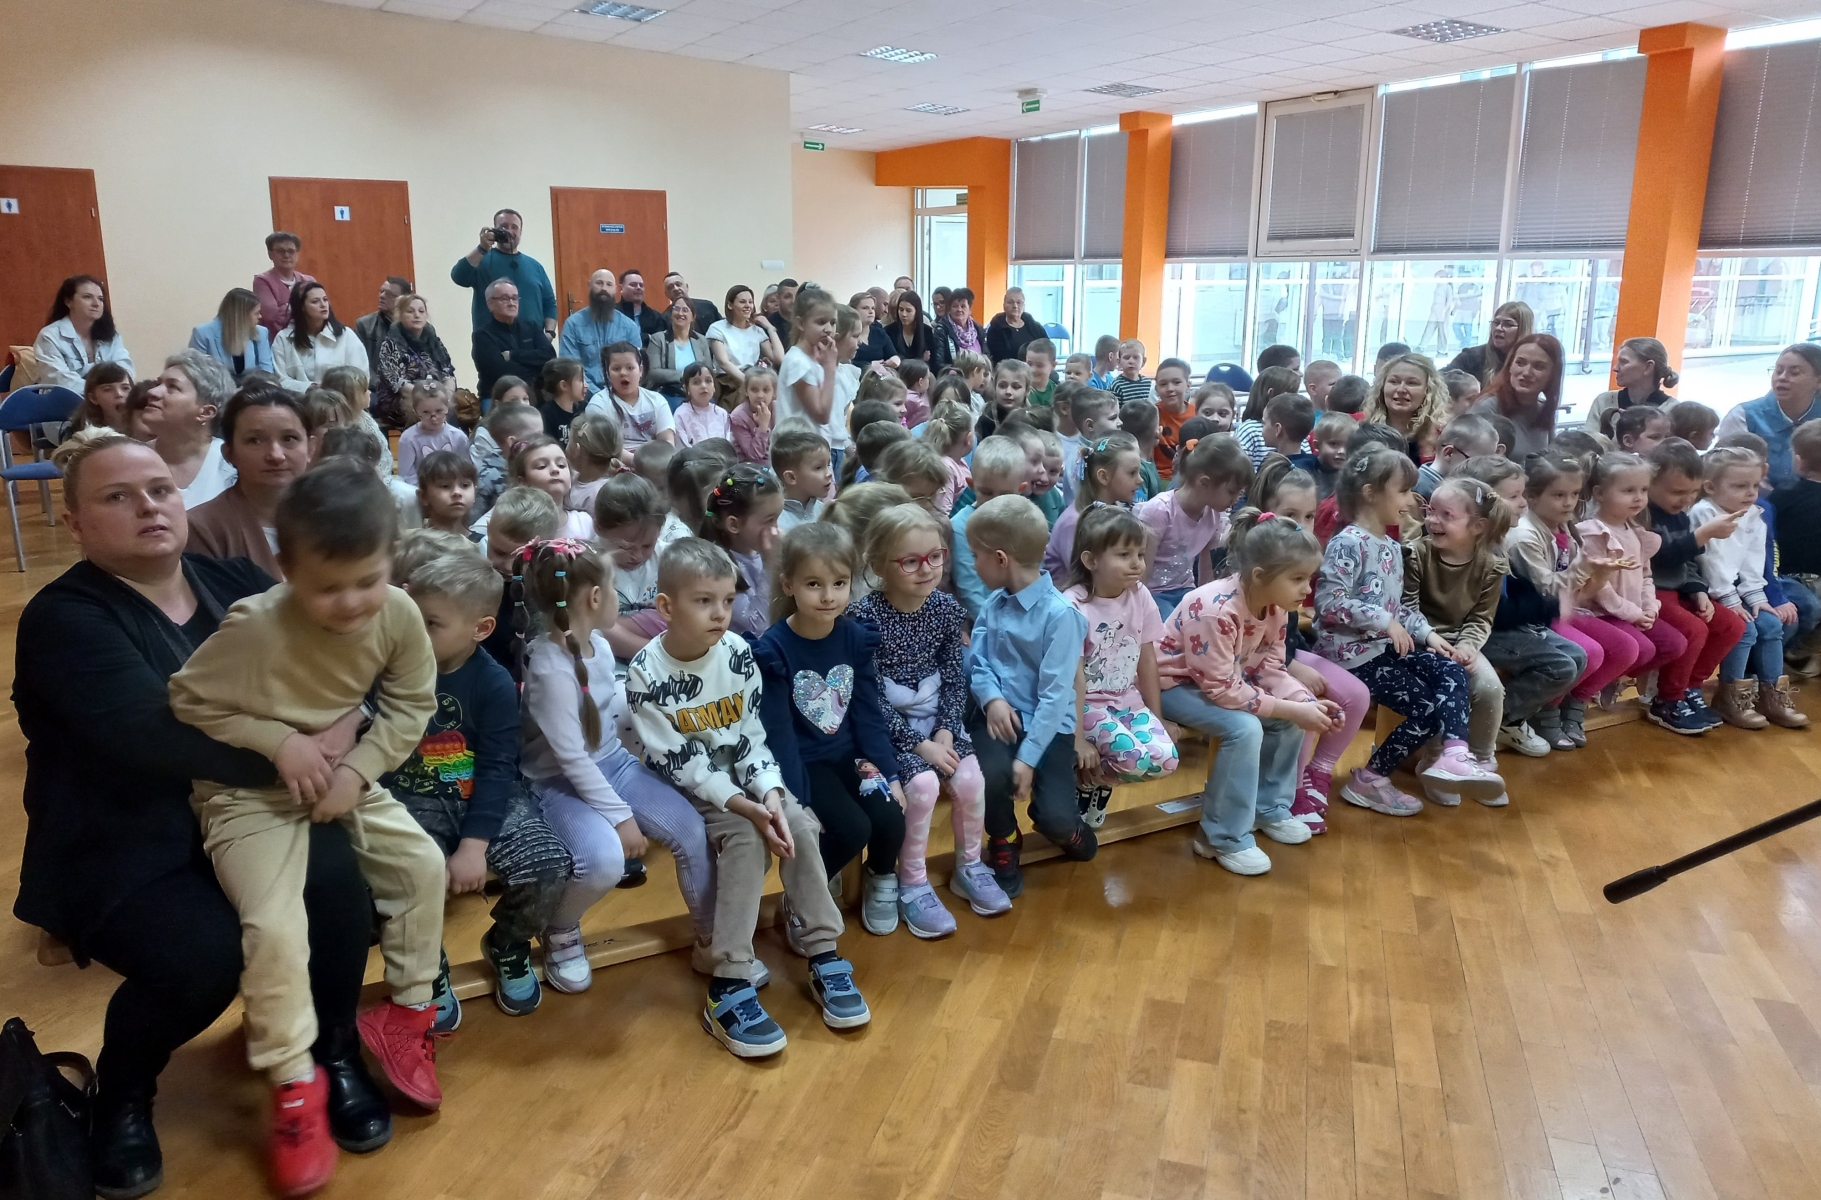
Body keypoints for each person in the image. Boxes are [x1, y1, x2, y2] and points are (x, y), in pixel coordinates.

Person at [13, 433, 387, 1198]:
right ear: (76, 523)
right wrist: (307, 748)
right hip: (122, 834)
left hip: (253, 811)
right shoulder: (64, 617)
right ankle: (122, 1093)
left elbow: (342, 662)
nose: (149, 506)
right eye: (118, 496)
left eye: (160, 489)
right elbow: (155, 735)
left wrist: (347, 720)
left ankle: (331, 1053)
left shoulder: (233, 580)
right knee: (203, 955)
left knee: (342, 885)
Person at [165, 461, 446, 1195]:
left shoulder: (399, 613)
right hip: (245, 796)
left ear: (391, 560)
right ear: (285, 568)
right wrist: (278, 742)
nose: (351, 603)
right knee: (275, 928)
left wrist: (356, 772)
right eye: (328, 587)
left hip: (341, 772)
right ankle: (295, 1085)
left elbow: (411, 704)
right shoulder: (254, 627)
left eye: (367, 580)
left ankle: (408, 1015)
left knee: (422, 866)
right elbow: (188, 701)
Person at [625, 538, 869, 1058]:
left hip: (745, 781)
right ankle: (728, 980)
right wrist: (744, 806)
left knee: (800, 823)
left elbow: (752, 738)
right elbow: (680, 760)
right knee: (746, 839)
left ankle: (823, 952)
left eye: (728, 600)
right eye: (704, 601)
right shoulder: (646, 670)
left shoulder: (737, 652)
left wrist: (772, 795)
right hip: (691, 789)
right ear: (666, 606)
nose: (720, 613)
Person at [512, 538, 716, 997]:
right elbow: (571, 760)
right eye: (613, 586)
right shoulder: (548, 667)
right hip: (557, 784)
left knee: (691, 830)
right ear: (595, 597)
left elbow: (604, 742)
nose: (619, 596)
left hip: (614, 765)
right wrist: (621, 818)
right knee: (603, 861)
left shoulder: (599, 646)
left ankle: (713, 938)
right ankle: (560, 928)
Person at [383, 549, 572, 1025]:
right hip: (410, 798)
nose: (415, 630)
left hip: (486, 795)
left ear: (481, 629)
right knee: (399, 874)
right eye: (412, 616)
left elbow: (496, 768)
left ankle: (507, 942)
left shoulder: (493, 683)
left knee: (549, 863)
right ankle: (426, 965)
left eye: (431, 623)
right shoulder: (385, 666)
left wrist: (473, 844)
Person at [1315, 444, 1502, 812]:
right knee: (1426, 709)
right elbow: (1329, 603)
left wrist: (1428, 634)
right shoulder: (1347, 542)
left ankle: (1456, 755)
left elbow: (1396, 607)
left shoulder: (1390, 545)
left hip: (1383, 649)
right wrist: (1385, 622)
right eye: (1403, 491)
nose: (1412, 501)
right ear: (1371, 493)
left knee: (1451, 668)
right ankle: (1370, 779)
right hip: (1349, 656)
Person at [850, 504, 1005, 937]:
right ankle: (913, 882)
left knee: (971, 781)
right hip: (888, 735)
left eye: (935, 556)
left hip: (938, 725)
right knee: (922, 787)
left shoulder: (945, 609)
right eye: (911, 561)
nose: (927, 569)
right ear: (879, 566)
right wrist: (920, 746)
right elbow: (868, 699)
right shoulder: (863, 619)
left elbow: (955, 677)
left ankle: (969, 867)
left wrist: (945, 729)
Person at [1159, 509, 1337, 874]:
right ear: (1259, 576)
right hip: (1172, 686)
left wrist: (1306, 703)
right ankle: (1220, 837)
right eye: (1298, 578)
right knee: (1244, 729)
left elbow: (1270, 668)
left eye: (1309, 578)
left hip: (1221, 682)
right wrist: (1291, 709)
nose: (1307, 589)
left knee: (1289, 719)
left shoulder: (1277, 608)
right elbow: (1223, 691)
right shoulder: (1216, 609)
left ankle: (1267, 809)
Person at [755, 524, 907, 936]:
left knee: (890, 817)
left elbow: (869, 713)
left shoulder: (854, 637)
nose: (828, 596)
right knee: (852, 828)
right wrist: (799, 799)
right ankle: (805, 894)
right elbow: (779, 734)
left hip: (852, 756)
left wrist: (890, 774)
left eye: (839, 583)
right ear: (788, 585)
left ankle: (881, 878)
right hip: (807, 764)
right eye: (814, 584)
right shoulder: (774, 649)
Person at [965, 494, 1096, 896]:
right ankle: (1004, 838)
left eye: (976, 556)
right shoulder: (992, 604)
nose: (972, 565)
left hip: (1048, 725)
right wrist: (992, 699)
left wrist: (1028, 758)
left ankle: (1065, 825)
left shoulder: (1062, 615)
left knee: (1056, 818)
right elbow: (977, 662)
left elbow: (1056, 698)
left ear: (1000, 559)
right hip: (999, 716)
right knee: (992, 773)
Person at [1403, 476, 1525, 806]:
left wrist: (1468, 646)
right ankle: (1434, 762)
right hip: (1421, 640)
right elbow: (1408, 608)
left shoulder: (1492, 565)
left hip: (1461, 643)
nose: (1433, 521)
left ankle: (1481, 762)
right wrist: (1431, 641)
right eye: (1431, 511)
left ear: (1478, 526)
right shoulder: (1416, 554)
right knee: (1446, 687)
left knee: (1490, 688)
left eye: (1446, 515)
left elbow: (1481, 618)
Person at [1064, 506, 1180, 829]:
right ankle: (1081, 782)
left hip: (1127, 702)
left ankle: (1095, 781)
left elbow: (1147, 659)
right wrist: (1077, 739)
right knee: (1133, 759)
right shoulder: (1073, 605)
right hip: (1087, 706)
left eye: (1140, 554)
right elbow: (1071, 678)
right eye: (1124, 554)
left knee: (1167, 760)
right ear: (1091, 561)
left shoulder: (1140, 595)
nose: (1137, 563)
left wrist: (1156, 715)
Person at [1572, 452, 1695, 735]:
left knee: (1674, 644)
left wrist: (1650, 607)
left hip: (1631, 611)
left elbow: (1646, 575)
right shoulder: (1592, 532)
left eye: (1643, 490)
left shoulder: (1637, 531)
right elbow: (1599, 588)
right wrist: (1633, 613)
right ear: (1600, 493)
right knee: (1641, 648)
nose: (1639, 498)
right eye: (1628, 491)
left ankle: (1610, 678)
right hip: (1599, 612)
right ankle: (1578, 697)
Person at [1692, 446, 1807, 728]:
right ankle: (1730, 696)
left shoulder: (1754, 513)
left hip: (1734, 590)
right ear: (1711, 487)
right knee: (1745, 628)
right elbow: (1711, 562)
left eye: (1755, 485)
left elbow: (1753, 560)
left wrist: (1756, 596)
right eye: (1740, 486)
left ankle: (1772, 696)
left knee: (1771, 623)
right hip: (1705, 591)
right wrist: (1731, 600)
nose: (1750, 493)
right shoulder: (1704, 513)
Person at [184, 383, 312, 578]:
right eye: (255, 440)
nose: (276, 455)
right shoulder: (202, 529)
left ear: (311, 448)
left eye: (289, 438)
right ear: (229, 453)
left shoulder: (334, 517)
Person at [1138, 433, 1250, 615]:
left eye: (1240, 493)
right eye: (1231, 492)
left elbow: (1207, 569)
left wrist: (1209, 603)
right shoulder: (1160, 511)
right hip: (1154, 594)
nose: (1236, 499)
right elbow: (1142, 570)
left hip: (1186, 591)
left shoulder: (1215, 515)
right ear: (1203, 482)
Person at [698, 464, 784, 641]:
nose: (777, 530)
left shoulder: (759, 551)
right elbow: (755, 631)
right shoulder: (717, 570)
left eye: (778, 518)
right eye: (769, 520)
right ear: (734, 524)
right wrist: (771, 566)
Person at [1717, 343, 1821, 489]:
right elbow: (1725, 470)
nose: (1782, 378)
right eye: (1778, 371)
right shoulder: (1743, 416)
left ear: (1818, 381)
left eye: (1794, 373)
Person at [141, 352, 238, 508]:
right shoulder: (129, 459)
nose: (152, 392)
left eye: (173, 387)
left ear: (206, 412)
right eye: (158, 384)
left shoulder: (232, 465)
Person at [451, 209, 557, 338]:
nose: (509, 231)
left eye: (514, 227)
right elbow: (458, 277)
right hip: (492, 341)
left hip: (532, 343)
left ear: (520, 231)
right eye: (504, 227)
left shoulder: (535, 266)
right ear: (494, 230)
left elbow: (549, 302)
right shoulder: (482, 260)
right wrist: (482, 248)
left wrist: (550, 333)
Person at [1470, 332, 1563, 464]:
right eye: (1520, 363)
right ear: (1510, 367)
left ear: (1553, 374)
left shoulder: (1543, 409)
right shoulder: (1487, 407)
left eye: (1539, 367)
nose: (1527, 373)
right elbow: (1473, 466)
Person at [33, 274, 133, 391]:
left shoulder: (111, 335)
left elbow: (125, 369)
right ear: (68, 301)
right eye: (87, 297)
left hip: (108, 397)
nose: (96, 304)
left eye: (100, 299)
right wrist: (101, 392)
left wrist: (111, 391)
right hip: (64, 399)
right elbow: (60, 380)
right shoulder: (49, 336)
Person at [374, 292, 456, 428]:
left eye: (421, 311)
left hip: (435, 393)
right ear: (400, 315)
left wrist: (447, 393)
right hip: (402, 398)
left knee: (456, 407)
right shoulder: (390, 344)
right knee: (423, 410)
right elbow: (397, 383)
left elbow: (448, 372)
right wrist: (428, 397)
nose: (417, 315)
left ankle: (451, 441)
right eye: (410, 311)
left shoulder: (434, 341)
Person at [272, 282, 368, 394]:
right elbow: (279, 380)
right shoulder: (283, 338)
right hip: (297, 401)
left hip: (339, 400)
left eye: (325, 300)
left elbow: (361, 376)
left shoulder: (346, 335)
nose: (323, 305)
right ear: (302, 307)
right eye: (315, 301)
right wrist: (309, 388)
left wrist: (330, 390)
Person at [558, 269, 642, 391]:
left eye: (609, 284)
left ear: (616, 289)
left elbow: (636, 367)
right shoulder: (573, 324)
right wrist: (597, 395)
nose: (604, 288)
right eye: (599, 283)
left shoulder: (629, 327)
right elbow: (569, 367)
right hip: (584, 393)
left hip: (621, 392)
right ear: (589, 285)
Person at [588, 341, 677, 453]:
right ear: (607, 373)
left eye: (630, 368)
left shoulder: (657, 400)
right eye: (616, 369)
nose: (623, 373)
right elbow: (604, 447)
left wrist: (651, 461)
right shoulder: (598, 404)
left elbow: (667, 442)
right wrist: (636, 461)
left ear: (640, 370)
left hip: (653, 460)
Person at [473, 280, 556, 399]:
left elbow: (550, 356)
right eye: (505, 298)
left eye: (515, 298)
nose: (512, 303)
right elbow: (500, 372)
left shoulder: (532, 327)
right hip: (499, 397)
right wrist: (537, 369)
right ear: (490, 303)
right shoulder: (482, 335)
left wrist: (513, 355)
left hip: (536, 393)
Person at [1584, 336, 1678, 434]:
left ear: (1648, 367)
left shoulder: (1673, 411)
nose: (1615, 368)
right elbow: (1587, 441)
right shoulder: (1603, 401)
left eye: (1624, 362)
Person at [707, 284, 786, 391]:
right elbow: (724, 363)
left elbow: (779, 358)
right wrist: (750, 384)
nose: (748, 306)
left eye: (750, 302)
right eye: (742, 302)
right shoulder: (717, 328)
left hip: (753, 378)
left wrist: (770, 328)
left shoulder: (757, 331)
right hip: (728, 381)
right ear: (730, 305)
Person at [189, 288, 273, 380]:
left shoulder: (261, 332)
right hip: (217, 387)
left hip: (252, 386)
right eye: (256, 313)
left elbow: (266, 371)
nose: (260, 316)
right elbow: (198, 374)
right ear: (242, 315)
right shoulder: (202, 334)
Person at [397, 383, 471, 485]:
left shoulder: (458, 437)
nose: (434, 418)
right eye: (426, 412)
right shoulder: (408, 438)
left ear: (447, 406)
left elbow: (466, 470)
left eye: (439, 411)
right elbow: (406, 476)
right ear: (415, 410)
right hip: (421, 489)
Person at [1447, 300, 1532, 386]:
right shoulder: (1472, 356)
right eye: (1496, 322)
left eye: (1508, 324)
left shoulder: (1532, 361)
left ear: (1523, 329)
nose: (1498, 328)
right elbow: (1442, 379)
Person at [645, 294, 712, 399]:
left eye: (685, 310)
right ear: (671, 314)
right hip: (669, 391)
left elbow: (709, 369)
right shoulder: (658, 339)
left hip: (698, 390)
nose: (680, 313)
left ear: (693, 317)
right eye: (676, 309)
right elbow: (653, 372)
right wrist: (685, 375)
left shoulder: (701, 340)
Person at [353, 276, 412, 387]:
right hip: (378, 387)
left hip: (412, 387)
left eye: (389, 294)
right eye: (381, 291)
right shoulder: (365, 325)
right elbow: (361, 364)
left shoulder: (418, 326)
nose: (382, 296)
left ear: (404, 300)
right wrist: (383, 386)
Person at [253, 232, 314, 335]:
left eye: (291, 251)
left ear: (297, 254)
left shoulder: (308, 281)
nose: (286, 255)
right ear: (270, 255)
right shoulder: (262, 281)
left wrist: (285, 307)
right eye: (280, 251)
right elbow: (270, 316)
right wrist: (304, 307)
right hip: (275, 340)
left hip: (308, 337)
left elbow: (319, 311)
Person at [986, 287, 1043, 365]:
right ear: (1004, 306)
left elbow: (1046, 346)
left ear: (1024, 305)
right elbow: (998, 357)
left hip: (1035, 367)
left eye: (1019, 302)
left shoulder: (1034, 326)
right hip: (1009, 369)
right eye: (1010, 302)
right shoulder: (996, 328)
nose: (1015, 306)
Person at [884, 288, 935, 364]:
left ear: (917, 311)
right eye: (901, 310)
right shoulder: (889, 331)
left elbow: (932, 361)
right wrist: (920, 360)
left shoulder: (927, 331)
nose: (904, 314)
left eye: (908, 311)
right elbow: (889, 358)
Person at [850, 292, 898, 371]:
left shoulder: (879, 332)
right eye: (865, 308)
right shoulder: (847, 333)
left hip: (880, 375)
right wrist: (870, 365)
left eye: (873, 308)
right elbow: (844, 362)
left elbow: (892, 354)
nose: (871, 311)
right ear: (854, 310)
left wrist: (895, 360)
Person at [616, 268, 667, 341]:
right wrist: (647, 337)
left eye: (641, 285)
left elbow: (659, 342)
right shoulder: (613, 314)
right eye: (633, 285)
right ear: (621, 288)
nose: (638, 288)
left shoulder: (655, 317)